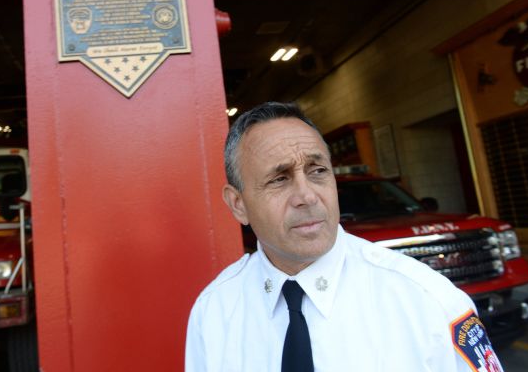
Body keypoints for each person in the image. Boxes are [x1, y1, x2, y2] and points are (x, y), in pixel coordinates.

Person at [185, 102, 502, 372]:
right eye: (279, 179)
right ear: (238, 205)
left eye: (318, 171)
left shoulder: (428, 301)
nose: (307, 196)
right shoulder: (214, 311)